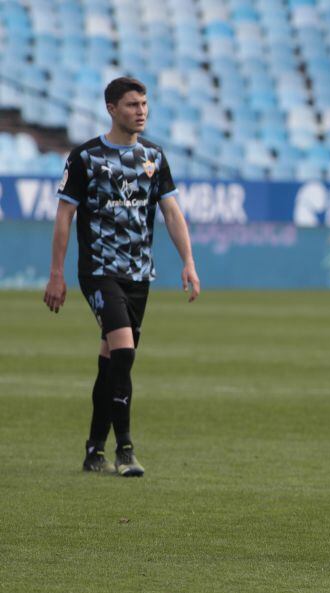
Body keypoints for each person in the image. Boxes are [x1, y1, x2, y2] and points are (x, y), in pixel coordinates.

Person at [43, 77, 200, 476]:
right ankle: (125, 449)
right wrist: (57, 274)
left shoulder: (154, 157)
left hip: (138, 274)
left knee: (111, 361)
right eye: (132, 105)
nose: (141, 111)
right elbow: (64, 216)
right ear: (112, 108)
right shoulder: (86, 157)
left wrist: (189, 262)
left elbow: (171, 212)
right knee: (125, 352)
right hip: (98, 271)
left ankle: (94, 449)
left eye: (144, 104)